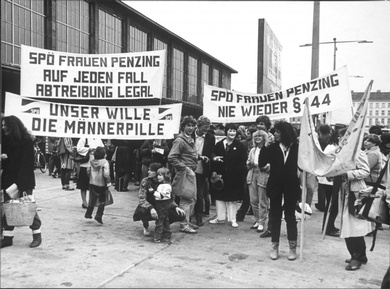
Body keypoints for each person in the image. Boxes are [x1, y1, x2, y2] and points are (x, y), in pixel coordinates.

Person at [259, 121, 300, 261]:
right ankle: (275, 247)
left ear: (284, 133)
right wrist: (265, 146)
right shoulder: (273, 147)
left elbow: (304, 165)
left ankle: (292, 248)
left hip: (291, 186)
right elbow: (261, 163)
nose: (275, 134)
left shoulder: (297, 147)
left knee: (290, 217)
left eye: (277, 131)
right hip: (275, 186)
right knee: (275, 216)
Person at [1, 115, 42, 248]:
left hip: (23, 181)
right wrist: (3, 158)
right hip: (8, 181)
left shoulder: (26, 141)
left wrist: (20, 185)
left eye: (5, 125)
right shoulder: (6, 140)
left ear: (12, 126)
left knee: (28, 208)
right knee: (8, 209)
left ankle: (37, 235)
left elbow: (27, 164)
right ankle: (7, 237)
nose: (3, 127)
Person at [337, 128, 371, 271]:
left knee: (355, 226)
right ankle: (358, 255)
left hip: (355, 193)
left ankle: (357, 256)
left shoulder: (358, 152)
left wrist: (348, 174)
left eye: (344, 137)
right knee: (346, 225)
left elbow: (365, 171)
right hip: (343, 193)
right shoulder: (341, 152)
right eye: (341, 137)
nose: (341, 139)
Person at [209, 123, 246, 228]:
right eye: (230, 130)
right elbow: (213, 155)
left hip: (234, 177)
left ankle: (232, 219)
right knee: (219, 197)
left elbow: (243, 160)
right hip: (221, 176)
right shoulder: (219, 144)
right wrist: (214, 160)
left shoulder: (239, 145)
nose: (232, 133)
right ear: (226, 132)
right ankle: (220, 218)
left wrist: (237, 171)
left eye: (234, 131)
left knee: (232, 198)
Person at [133, 162, 185, 237]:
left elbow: (170, 197)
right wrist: (150, 208)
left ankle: (163, 225)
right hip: (149, 204)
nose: (148, 171)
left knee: (179, 214)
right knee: (142, 211)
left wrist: (175, 207)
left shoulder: (166, 182)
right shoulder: (146, 181)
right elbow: (142, 198)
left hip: (162, 205)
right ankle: (146, 225)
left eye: (151, 170)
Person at [168, 116, 199, 234]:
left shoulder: (189, 138)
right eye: (188, 125)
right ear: (183, 126)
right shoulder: (180, 140)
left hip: (191, 172)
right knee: (187, 198)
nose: (191, 128)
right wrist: (184, 168)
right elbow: (171, 157)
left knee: (193, 198)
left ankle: (186, 220)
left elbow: (189, 155)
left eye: (192, 126)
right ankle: (184, 224)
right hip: (186, 173)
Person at [317, 125, 340, 237]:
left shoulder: (332, 146)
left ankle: (329, 226)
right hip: (329, 180)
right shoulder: (333, 147)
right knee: (332, 205)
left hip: (328, 179)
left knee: (333, 205)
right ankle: (328, 227)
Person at [193, 116, 216, 227]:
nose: (206, 131)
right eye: (204, 129)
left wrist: (214, 157)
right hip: (188, 167)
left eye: (207, 129)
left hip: (201, 168)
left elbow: (211, 151)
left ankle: (198, 216)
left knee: (199, 194)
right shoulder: (189, 134)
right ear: (198, 126)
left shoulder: (211, 137)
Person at [246, 129, 270, 233]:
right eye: (255, 136)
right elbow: (248, 162)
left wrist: (266, 167)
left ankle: (262, 222)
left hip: (263, 173)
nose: (257, 138)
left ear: (264, 138)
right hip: (252, 173)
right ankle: (257, 220)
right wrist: (248, 163)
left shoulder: (267, 149)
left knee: (262, 200)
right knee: (253, 200)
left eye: (259, 136)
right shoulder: (252, 150)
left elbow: (271, 164)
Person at [236, 125, 258, 222]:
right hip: (247, 169)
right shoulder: (245, 143)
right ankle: (243, 212)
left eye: (248, 133)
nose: (246, 134)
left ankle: (242, 212)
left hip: (251, 170)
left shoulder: (249, 144)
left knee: (249, 193)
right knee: (248, 193)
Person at [85, 146, 111, 224]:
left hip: (92, 182)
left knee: (92, 198)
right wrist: (108, 182)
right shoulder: (105, 162)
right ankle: (99, 215)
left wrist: (90, 178)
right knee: (102, 200)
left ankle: (88, 213)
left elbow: (88, 171)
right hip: (102, 184)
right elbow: (106, 174)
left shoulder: (92, 162)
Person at [76, 137, 104, 208]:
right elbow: (78, 149)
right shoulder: (83, 138)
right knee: (83, 185)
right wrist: (89, 149)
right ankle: (84, 201)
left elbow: (102, 149)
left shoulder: (98, 138)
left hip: (95, 164)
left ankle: (93, 201)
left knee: (95, 185)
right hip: (85, 164)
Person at [153, 167, 175, 243]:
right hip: (163, 204)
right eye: (157, 175)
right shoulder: (164, 185)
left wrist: (153, 192)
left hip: (163, 204)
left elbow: (161, 196)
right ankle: (167, 234)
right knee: (165, 219)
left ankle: (157, 236)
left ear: (165, 176)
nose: (158, 177)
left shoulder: (166, 186)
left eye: (160, 175)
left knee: (160, 220)